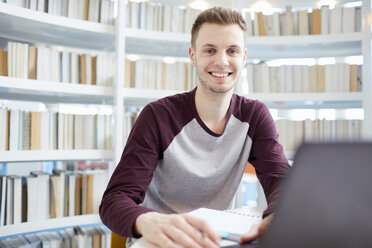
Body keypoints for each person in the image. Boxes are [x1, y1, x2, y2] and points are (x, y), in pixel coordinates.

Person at [99, 6, 290, 248]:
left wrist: (277, 216)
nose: (221, 61)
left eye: (232, 50)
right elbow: (115, 200)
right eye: (209, 50)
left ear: (243, 57)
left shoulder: (255, 116)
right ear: (193, 55)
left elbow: (281, 183)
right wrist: (150, 222)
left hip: (215, 241)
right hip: (160, 241)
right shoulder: (157, 116)